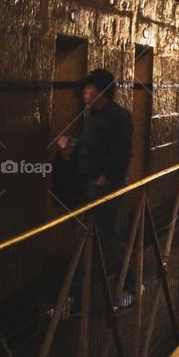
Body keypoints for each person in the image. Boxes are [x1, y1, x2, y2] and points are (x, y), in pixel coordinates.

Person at [55, 69, 133, 281]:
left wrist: (104, 179)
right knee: (99, 236)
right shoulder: (93, 116)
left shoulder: (118, 117)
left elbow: (122, 153)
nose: (84, 93)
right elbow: (95, 147)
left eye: (88, 89)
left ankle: (130, 283)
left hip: (107, 187)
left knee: (105, 236)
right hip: (92, 185)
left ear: (100, 92)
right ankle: (88, 287)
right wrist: (71, 146)